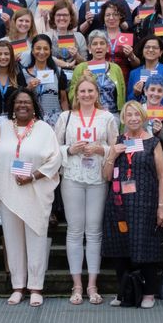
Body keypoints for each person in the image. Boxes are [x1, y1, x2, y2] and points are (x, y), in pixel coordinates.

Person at [0, 88, 62, 307]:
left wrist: (33, 176)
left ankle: (36, 287)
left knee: (37, 239)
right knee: (12, 241)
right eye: (18, 102)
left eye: (27, 102)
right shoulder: (2, 128)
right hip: (8, 192)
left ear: (34, 106)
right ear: (12, 106)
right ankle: (18, 287)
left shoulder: (44, 129)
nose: (22, 105)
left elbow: (55, 160)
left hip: (35, 191)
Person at [54, 77, 117, 305]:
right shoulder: (65, 117)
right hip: (72, 176)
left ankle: (92, 284)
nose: (87, 94)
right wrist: (69, 149)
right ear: (75, 93)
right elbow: (54, 148)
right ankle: (77, 285)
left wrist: (102, 149)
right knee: (74, 231)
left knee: (94, 232)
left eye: (91, 91)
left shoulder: (107, 117)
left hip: (98, 178)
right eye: (82, 91)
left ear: (97, 93)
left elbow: (115, 147)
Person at [101, 101, 163, 308]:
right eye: (128, 115)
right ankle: (122, 293)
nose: (133, 118)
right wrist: (112, 155)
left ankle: (149, 293)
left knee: (146, 247)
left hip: (145, 204)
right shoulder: (118, 140)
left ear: (143, 117)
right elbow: (106, 176)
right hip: (120, 204)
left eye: (137, 115)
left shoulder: (153, 142)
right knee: (120, 249)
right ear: (123, 118)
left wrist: (161, 206)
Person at [69, 31, 126, 115]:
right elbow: (71, 96)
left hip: (113, 116)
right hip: (88, 116)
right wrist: (82, 80)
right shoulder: (80, 68)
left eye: (102, 43)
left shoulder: (116, 68)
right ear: (89, 48)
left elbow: (122, 94)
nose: (98, 47)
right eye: (95, 44)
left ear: (107, 48)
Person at [23, 34, 70, 125]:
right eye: (38, 48)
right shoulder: (24, 74)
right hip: (31, 120)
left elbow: (63, 99)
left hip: (55, 121)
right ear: (32, 50)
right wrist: (28, 88)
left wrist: (67, 120)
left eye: (45, 48)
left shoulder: (58, 73)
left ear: (50, 51)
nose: (42, 52)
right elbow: (20, 98)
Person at [128, 36, 163, 109]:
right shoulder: (134, 73)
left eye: (155, 48)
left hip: (162, 117)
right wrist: (135, 94)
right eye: (147, 47)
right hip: (139, 117)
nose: (151, 50)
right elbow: (129, 102)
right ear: (142, 51)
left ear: (160, 52)